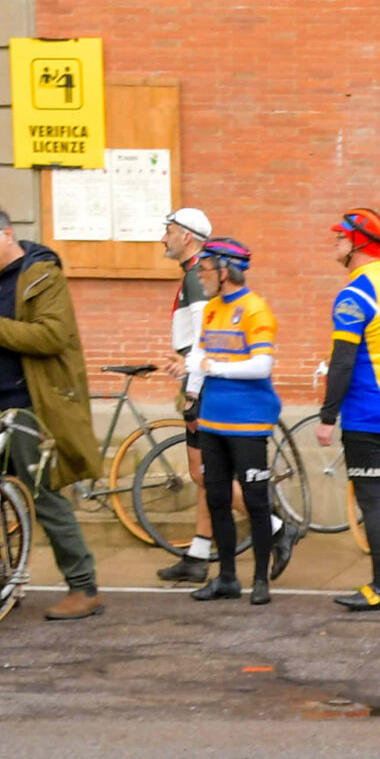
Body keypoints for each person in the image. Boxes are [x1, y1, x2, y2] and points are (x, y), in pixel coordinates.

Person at [0, 202, 108, 621]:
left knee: (44, 495)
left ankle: (83, 586)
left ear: (8, 233)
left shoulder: (42, 276)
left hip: (29, 407)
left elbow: (52, 336)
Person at [316, 207, 380, 612]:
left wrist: (327, 417)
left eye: (341, 237)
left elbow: (343, 361)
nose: (336, 243)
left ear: (358, 243)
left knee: (373, 501)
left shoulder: (353, 294)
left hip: (366, 411)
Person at [183, 237, 284, 605]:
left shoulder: (256, 310)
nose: (202, 276)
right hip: (213, 421)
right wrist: (192, 397)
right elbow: (199, 355)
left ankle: (260, 580)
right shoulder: (210, 309)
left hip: (249, 423)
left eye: (206, 269)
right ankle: (227, 577)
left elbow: (261, 366)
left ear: (226, 271)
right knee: (218, 500)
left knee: (256, 502)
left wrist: (214, 368)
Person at [155, 206, 220, 586]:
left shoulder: (196, 276)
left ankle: (276, 525)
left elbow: (203, 337)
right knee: (205, 474)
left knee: (203, 472)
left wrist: (192, 392)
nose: (163, 238)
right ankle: (198, 554)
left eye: (168, 231)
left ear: (187, 236)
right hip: (196, 377)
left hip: (200, 382)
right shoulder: (194, 273)